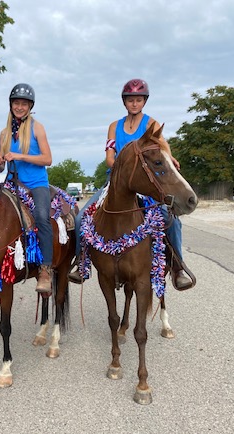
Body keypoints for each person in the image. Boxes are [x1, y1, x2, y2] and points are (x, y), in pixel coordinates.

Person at [68, 79, 194, 290]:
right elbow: (109, 157)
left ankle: (178, 267)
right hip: (116, 182)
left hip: (145, 183)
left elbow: (163, 147)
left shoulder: (151, 124)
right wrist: (123, 170)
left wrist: (169, 160)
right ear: (124, 102)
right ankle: (81, 263)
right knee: (82, 218)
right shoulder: (114, 127)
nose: (134, 104)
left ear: (144, 101)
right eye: (130, 100)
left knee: (169, 219)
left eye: (138, 100)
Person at [0, 83, 54, 294]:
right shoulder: (4, 133)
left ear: (30, 106)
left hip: (36, 184)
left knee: (42, 216)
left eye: (24, 104)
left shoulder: (38, 128)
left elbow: (48, 159)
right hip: (11, 183)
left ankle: (45, 269)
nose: (19, 107)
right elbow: (2, 166)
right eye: (16, 103)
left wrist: (19, 156)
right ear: (11, 105)